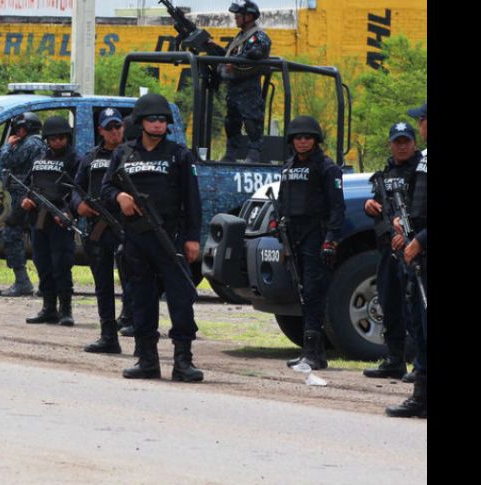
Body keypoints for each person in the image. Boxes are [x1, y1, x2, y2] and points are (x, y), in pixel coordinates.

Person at [101, 93, 204, 382]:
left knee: (181, 299)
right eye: (152, 119)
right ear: (141, 122)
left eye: (162, 120)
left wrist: (193, 238)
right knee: (142, 301)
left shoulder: (179, 155)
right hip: (136, 239)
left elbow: (192, 201)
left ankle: (183, 361)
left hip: (170, 238)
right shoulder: (123, 153)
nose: (158, 124)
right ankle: (147, 360)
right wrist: (120, 196)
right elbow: (105, 188)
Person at [279, 116, 346, 370]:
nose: (303, 141)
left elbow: (337, 209)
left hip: (316, 235)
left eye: (307, 137)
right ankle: (312, 353)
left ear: (316, 140)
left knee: (314, 294)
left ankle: (313, 353)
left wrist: (331, 240)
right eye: (298, 137)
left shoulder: (327, 168)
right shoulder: (287, 167)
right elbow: (283, 204)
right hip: (293, 237)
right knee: (302, 293)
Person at [362, 122, 422, 381]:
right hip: (388, 246)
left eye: (406, 141)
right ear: (390, 144)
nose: (402, 146)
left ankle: (421, 365)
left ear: (414, 143)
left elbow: (418, 211)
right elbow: (381, 210)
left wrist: (405, 235)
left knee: (415, 307)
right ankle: (395, 360)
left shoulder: (420, 171)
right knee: (389, 302)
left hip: (413, 246)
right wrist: (370, 206)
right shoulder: (385, 173)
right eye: (397, 142)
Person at [74, 108, 132, 353]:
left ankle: (132, 323)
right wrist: (79, 205)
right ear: (100, 131)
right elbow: (74, 188)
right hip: (97, 229)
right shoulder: (90, 158)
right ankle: (108, 336)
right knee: (103, 285)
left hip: (126, 227)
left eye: (118, 127)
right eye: (109, 128)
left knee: (133, 280)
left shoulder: (132, 155)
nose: (115, 132)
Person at [386, 102, 427, 418]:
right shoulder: (424, 159)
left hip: (422, 247)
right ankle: (421, 398)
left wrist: (419, 241)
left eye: (423, 121)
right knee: (420, 325)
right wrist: (403, 223)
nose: (422, 126)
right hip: (417, 252)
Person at [22, 116, 80, 326]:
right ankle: (49, 307)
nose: (57, 141)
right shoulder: (39, 159)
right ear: (46, 139)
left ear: (67, 137)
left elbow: (78, 190)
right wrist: (26, 200)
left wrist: (71, 213)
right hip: (39, 219)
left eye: (61, 138)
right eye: (52, 138)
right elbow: (30, 184)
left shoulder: (75, 160)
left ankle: (65, 309)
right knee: (42, 262)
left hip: (60, 219)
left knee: (61, 264)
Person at [213, 1, 271, 164]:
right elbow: (229, 56)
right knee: (231, 121)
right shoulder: (239, 37)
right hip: (234, 86)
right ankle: (230, 153)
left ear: (249, 17)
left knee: (251, 121)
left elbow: (256, 53)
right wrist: (213, 47)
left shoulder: (259, 36)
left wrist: (235, 61)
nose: (236, 19)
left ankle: (254, 153)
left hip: (248, 86)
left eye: (238, 16)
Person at [0, 112, 45, 297]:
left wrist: (6, 146)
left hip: (26, 197)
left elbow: (7, 160)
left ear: (24, 129)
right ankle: (45, 282)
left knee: (12, 232)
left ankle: (22, 281)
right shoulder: (37, 143)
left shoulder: (30, 144)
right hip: (31, 196)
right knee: (37, 238)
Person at [115, 114, 141, 338]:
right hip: (127, 225)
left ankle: (136, 319)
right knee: (128, 270)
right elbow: (107, 187)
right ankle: (128, 316)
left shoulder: (132, 156)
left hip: (147, 227)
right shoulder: (122, 155)